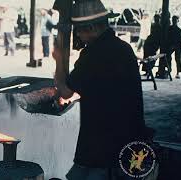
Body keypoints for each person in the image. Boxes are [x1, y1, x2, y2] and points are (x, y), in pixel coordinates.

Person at [53, 0, 147, 179]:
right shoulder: (124, 49)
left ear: (93, 28)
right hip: (130, 140)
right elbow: (107, 88)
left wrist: (58, 59)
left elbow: (65, 92)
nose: (78, 35)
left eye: (79, 30)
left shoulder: (92, 55)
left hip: (101, 142)